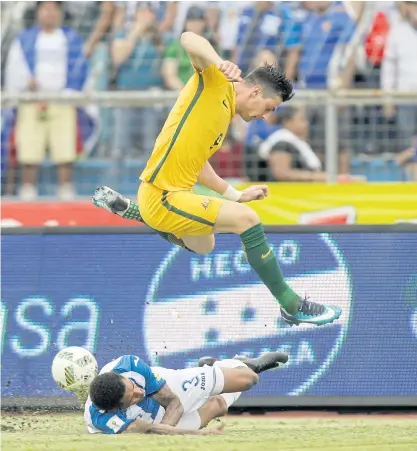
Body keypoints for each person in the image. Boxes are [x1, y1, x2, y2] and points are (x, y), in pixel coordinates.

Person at [93, 31, 342, 327]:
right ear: (255, 93)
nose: (266, 116)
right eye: (269, 108)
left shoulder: (225, 117)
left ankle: (135, 212)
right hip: (162, 195)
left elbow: (198, 165)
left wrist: (234, 195)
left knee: (204, 246)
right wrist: (219, 61)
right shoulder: (215, 82)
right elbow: (188, 38)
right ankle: (291, 304)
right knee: (247, 220)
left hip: (174, 198)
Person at [85, 352, 288, 435]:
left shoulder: (129, 365)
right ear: (116, 408)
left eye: (133, 386)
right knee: (218, 405)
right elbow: (149, 429)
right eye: (134, 396)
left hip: (170, 388)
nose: (139, 391)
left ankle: (238, 363)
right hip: (154, 418)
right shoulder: (102, 419)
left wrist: (165, 431)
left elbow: (174, 403)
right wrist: (196, 433)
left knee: (249, 379)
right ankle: (207, 368)